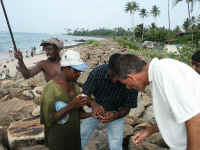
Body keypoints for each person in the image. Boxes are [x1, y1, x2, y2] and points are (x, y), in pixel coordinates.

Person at [115, 54, 200, 150]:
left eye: (126, 84)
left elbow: (195, 118)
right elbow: (176, 114)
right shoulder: (159, 73)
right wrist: (150, 130)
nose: (128, 87)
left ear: (131, 77)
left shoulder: (164, 71)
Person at [81, 53, 138, 150]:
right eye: (113, 75)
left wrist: (115, 115)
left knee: (116, 141)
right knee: (82, 133)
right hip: (95, 109)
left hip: (117, 111)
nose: (115, 80)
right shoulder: (97, 72)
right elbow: (84, 95)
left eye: (118, 76)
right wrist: (93, 104)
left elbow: (127, 107)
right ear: (108, 68)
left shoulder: (131, 80)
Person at [40, 50, 89, 150]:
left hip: (74, 141)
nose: (78, 74)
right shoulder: (50, 89)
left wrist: (93, 114)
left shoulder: (75, 87)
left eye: (79, 71)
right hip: (58, 143)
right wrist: (71, 105)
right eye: (76, 71)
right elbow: (48, 120)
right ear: (66, 68)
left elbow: (78, 114)